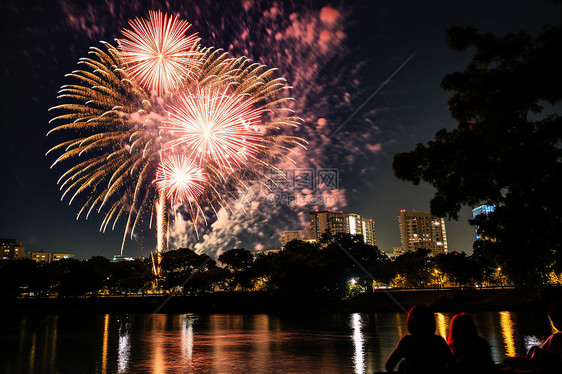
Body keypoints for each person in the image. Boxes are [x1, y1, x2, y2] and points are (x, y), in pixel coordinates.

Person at [385, 305, 454, 373]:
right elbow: (452, 363)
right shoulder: (439, 341)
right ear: (432, 322)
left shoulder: (406, 342)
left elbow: (389, 366)